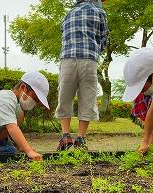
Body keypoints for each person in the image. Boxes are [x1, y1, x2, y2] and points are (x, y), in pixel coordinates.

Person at [55, 0, 109, 150]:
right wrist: (97, 47)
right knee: (87, 98)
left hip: (67, 59)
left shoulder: (68, 14)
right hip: (88, 60)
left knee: (64, 96)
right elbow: (104, 39)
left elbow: (63, 37)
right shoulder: (99, 12)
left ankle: (65, 136)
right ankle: (80, 138)